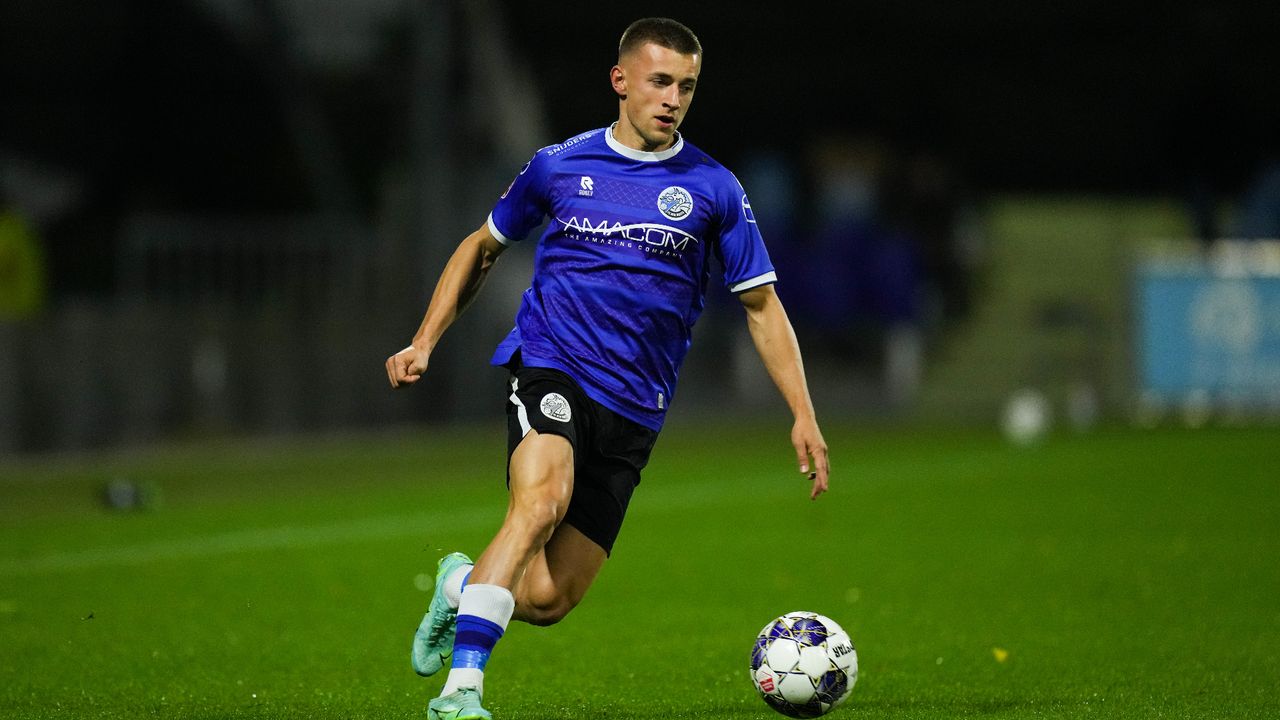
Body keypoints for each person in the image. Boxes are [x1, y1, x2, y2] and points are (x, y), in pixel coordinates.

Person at [385, 17, 830, 720]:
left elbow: (762, 306)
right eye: (659, 81)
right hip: (551, 365)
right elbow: (482, 245)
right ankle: (461, 691)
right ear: (621, 81)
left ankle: (458, 587)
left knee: (549, 599)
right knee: (539, 504)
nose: (672, 98)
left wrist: (803, 412)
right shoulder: (560, 166)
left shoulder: (713, 188)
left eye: (686, 85)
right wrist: (425, 340)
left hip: (634, 407)